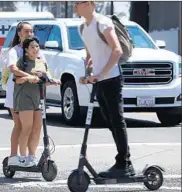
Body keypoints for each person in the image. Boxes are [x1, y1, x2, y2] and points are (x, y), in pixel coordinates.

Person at [74, 1, 135, 178]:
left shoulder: (103, 23)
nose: (76, 5)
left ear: (91, 4)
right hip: (99, 80)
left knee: (117, 120)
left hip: (112, 78)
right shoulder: (82, 27)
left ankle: (124, 163)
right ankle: (123, 161)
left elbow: (116, 51)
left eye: (79, 2)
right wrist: (90, 69)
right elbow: (91, 54)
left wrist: (101, 74)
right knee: (109, 120)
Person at [4, 21, 47, 166]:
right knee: (19, 125)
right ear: (19, 33)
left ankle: (30, 156)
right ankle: (14, 156)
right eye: (26, 31)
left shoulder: (36, 50)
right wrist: (29, 76)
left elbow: (43, 69)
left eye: (31, 31)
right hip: (16, 91)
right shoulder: (14, 51)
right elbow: (13, 69)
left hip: (33, 93)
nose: (29, 34)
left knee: (34, 126)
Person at [13, 37, 60, 167]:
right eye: (32, 47)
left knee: (37, 128)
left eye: (37, 47)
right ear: (26, 50)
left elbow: (46, 78)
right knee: (27, 127)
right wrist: (28, 78)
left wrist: (53, 81)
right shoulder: (22, 62)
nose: (35, 49)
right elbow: (17, 80)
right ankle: (22, 157)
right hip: (24, 97)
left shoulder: (42, 62)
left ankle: (32, 156)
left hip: (39, 98)